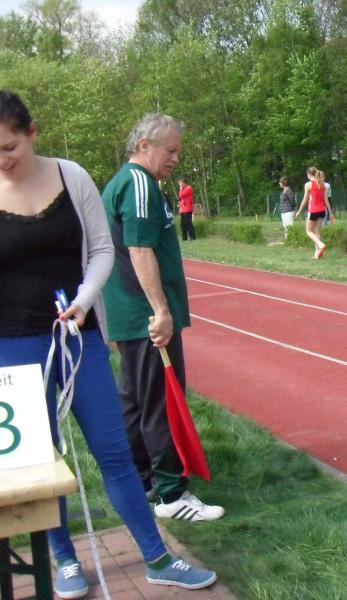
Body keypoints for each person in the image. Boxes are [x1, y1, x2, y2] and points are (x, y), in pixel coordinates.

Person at [0, 91, 216, 599]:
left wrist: (83, 300)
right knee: (40, 463)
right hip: (12, 348)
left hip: (79, 338)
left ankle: (158, 558)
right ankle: (64, 560)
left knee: (114, 451)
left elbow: (101, 250)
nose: (2, 160)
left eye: (9, 147)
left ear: (31, 133)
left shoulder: (70, 177)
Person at [102, 113, 225, 522]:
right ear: (145, 146)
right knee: (162, 402)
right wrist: (161, 311)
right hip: (145, 318)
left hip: (131, 316)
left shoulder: (127, 183)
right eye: (170, 150)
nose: (175, 159)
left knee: (136, 402)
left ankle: (139, 481)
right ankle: (171, 494)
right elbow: (139, 250)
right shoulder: (138, 184)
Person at [295, 166, 335, 259]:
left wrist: (299, 211)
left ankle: (320, 245)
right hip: (322, 211)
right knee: (317, 232)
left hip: (313, 210)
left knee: (308, 231)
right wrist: (331, 213)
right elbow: (326, 200)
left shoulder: (308, 184)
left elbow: (305, 200)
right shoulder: (323, 185)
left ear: (309, 175)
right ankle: (317, 254)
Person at [177, 176, 196, 241]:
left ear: (184, 183)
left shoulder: (188, 188)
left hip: (188, 208)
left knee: (188, 223)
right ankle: (184, 238)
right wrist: (180, 207)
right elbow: (180, 199)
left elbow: (181, 195)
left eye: (180, 183)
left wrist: (180, 189)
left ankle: (192, 237)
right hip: (183, 209)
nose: (179, 184)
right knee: (182, 224)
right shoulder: (183, 189)